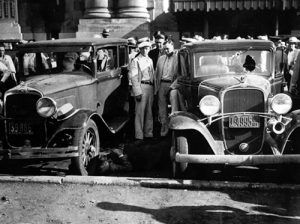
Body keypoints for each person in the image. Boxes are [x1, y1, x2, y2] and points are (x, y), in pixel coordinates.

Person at [129, 39, 155, 142]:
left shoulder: (150, 60)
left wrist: (155, 89)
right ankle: (139, 136)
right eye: (143, 49)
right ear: (139, 49)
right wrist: (137, 92)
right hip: (142, 86)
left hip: (150, 87)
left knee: (149, 111)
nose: (145, 50)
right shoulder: (136, 61)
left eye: (147, 48)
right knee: (140, 112)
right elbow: (134, 77)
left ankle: (148, 133)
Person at [155, 40, 178, 137]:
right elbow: (157, 74)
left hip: (173, 85)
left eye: (168, 48)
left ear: (173, 47)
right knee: (162, 108)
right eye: (164, 49)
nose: (166, 51)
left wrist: (172, 86)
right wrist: (157, 87)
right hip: (162, 84)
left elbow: (179, 75)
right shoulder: (161, 59)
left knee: (174, 106)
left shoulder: (177, 58)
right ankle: (164, 126)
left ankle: (174, 127)